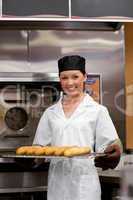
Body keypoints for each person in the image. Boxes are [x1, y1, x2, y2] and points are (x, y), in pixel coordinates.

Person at [33, 55, 122, 200]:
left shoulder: (98, 110)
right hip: (57, 184)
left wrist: (115, 151)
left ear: (85, 77)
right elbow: (39, 148)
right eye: (64, 78)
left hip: (85, 185)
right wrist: (31, 159)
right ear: (59, 79)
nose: (70, 83)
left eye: (75, 76)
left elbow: (110, 143)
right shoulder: (50, 113)